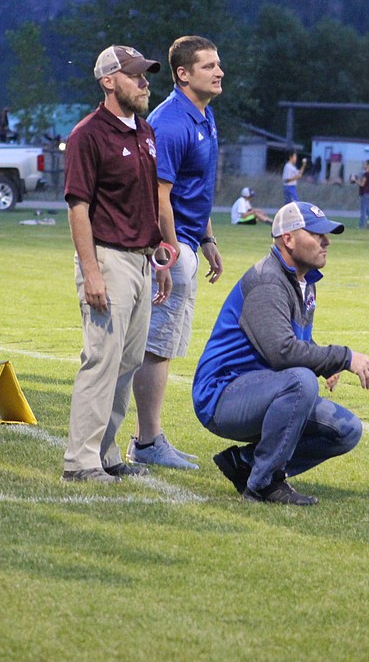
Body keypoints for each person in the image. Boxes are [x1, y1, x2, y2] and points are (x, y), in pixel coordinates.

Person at [193, 201, 369, 505]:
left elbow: (295, 340)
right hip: (222, 395)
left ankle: (247, 463)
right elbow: (282, 352)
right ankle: (263, 484)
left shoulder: (304, 281)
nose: (326, 241)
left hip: (263, 389)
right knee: (301, 381)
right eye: (316, 234)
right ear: (288, 239)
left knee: (346, 430)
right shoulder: (268, 281)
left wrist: (322, 360)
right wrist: (343, 357)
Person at [62, 44, 172, 483]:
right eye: (135, 76)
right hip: (108, 258)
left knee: (127, 363)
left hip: (142, 260)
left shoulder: (144, 131)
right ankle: (80, 461)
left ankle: (105, 451)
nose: (145, 83)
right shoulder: (88, 134)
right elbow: (78, 208)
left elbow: (146, 200)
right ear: (109, 81)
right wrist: (91, 271)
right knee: (101, 360)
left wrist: (159, 250)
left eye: (145, 75)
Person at [129, 35, 225, 470]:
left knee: (164, 346)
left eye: (218, 64)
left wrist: (208, 240)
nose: (219, 72)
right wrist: (170, 249)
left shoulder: (204, 115)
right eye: (208, 66)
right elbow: (161, 194)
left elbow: (195, 189)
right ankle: (147, 441)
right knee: (155, 345)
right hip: (172, 245)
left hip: (188, 239)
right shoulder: (171, 121)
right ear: (183, 73)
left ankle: (148, 439)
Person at [350, 159, 369, 229]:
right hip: (367, 193)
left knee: (363, 210)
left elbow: (362, 184)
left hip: (365, 193)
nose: (363, 165)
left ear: (368, 166)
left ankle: (361, 225)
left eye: (365, 164)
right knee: (367, 210)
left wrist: (354, 180)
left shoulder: (366, 174)